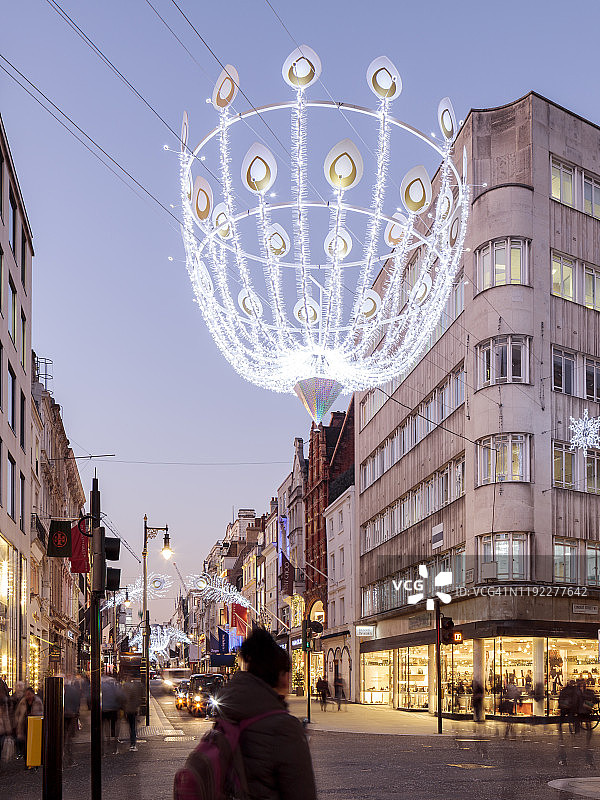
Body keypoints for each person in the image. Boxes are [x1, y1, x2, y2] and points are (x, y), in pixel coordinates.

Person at [215, 627, 317, 800]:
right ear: (279, 675)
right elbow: (302, 791)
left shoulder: (229, 711)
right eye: (287, 673)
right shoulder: (284, 727)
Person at [14, 687, 43, 761]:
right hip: (24, 724)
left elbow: (41, 712)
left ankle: (33, 759)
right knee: (24, 742)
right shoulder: (23, 702)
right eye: (26, 694)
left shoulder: (37, 701)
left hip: (34, 724)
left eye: (29, 694)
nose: (28, 696)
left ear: (33, 694)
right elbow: (18, 713)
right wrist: (17, 722)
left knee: (33, 742)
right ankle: (26, 758)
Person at [100, 675, 123, 753]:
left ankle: (105, 741)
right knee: (115, 725)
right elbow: (120, 695)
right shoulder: (114, 686)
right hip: (113, 708)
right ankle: (114, 744)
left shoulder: (101, 686)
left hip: (103, 709)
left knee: (104, 725)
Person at [121, 676, 143, 751]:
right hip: (133, 709)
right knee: (133, 726)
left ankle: (132, 742)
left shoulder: (124, 688)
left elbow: (122, 698)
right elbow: (138, 699)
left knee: (131, 725)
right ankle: (133, 743)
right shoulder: (135, 688)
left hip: (127, 709)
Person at [64, 676, 82, 766]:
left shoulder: (58, 691)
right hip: (71, 715)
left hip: (61, 716)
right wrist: (76, 712)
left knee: (62, 737)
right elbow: (77, 702)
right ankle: (70, 758)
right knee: (69, 738)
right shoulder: (73, 690)